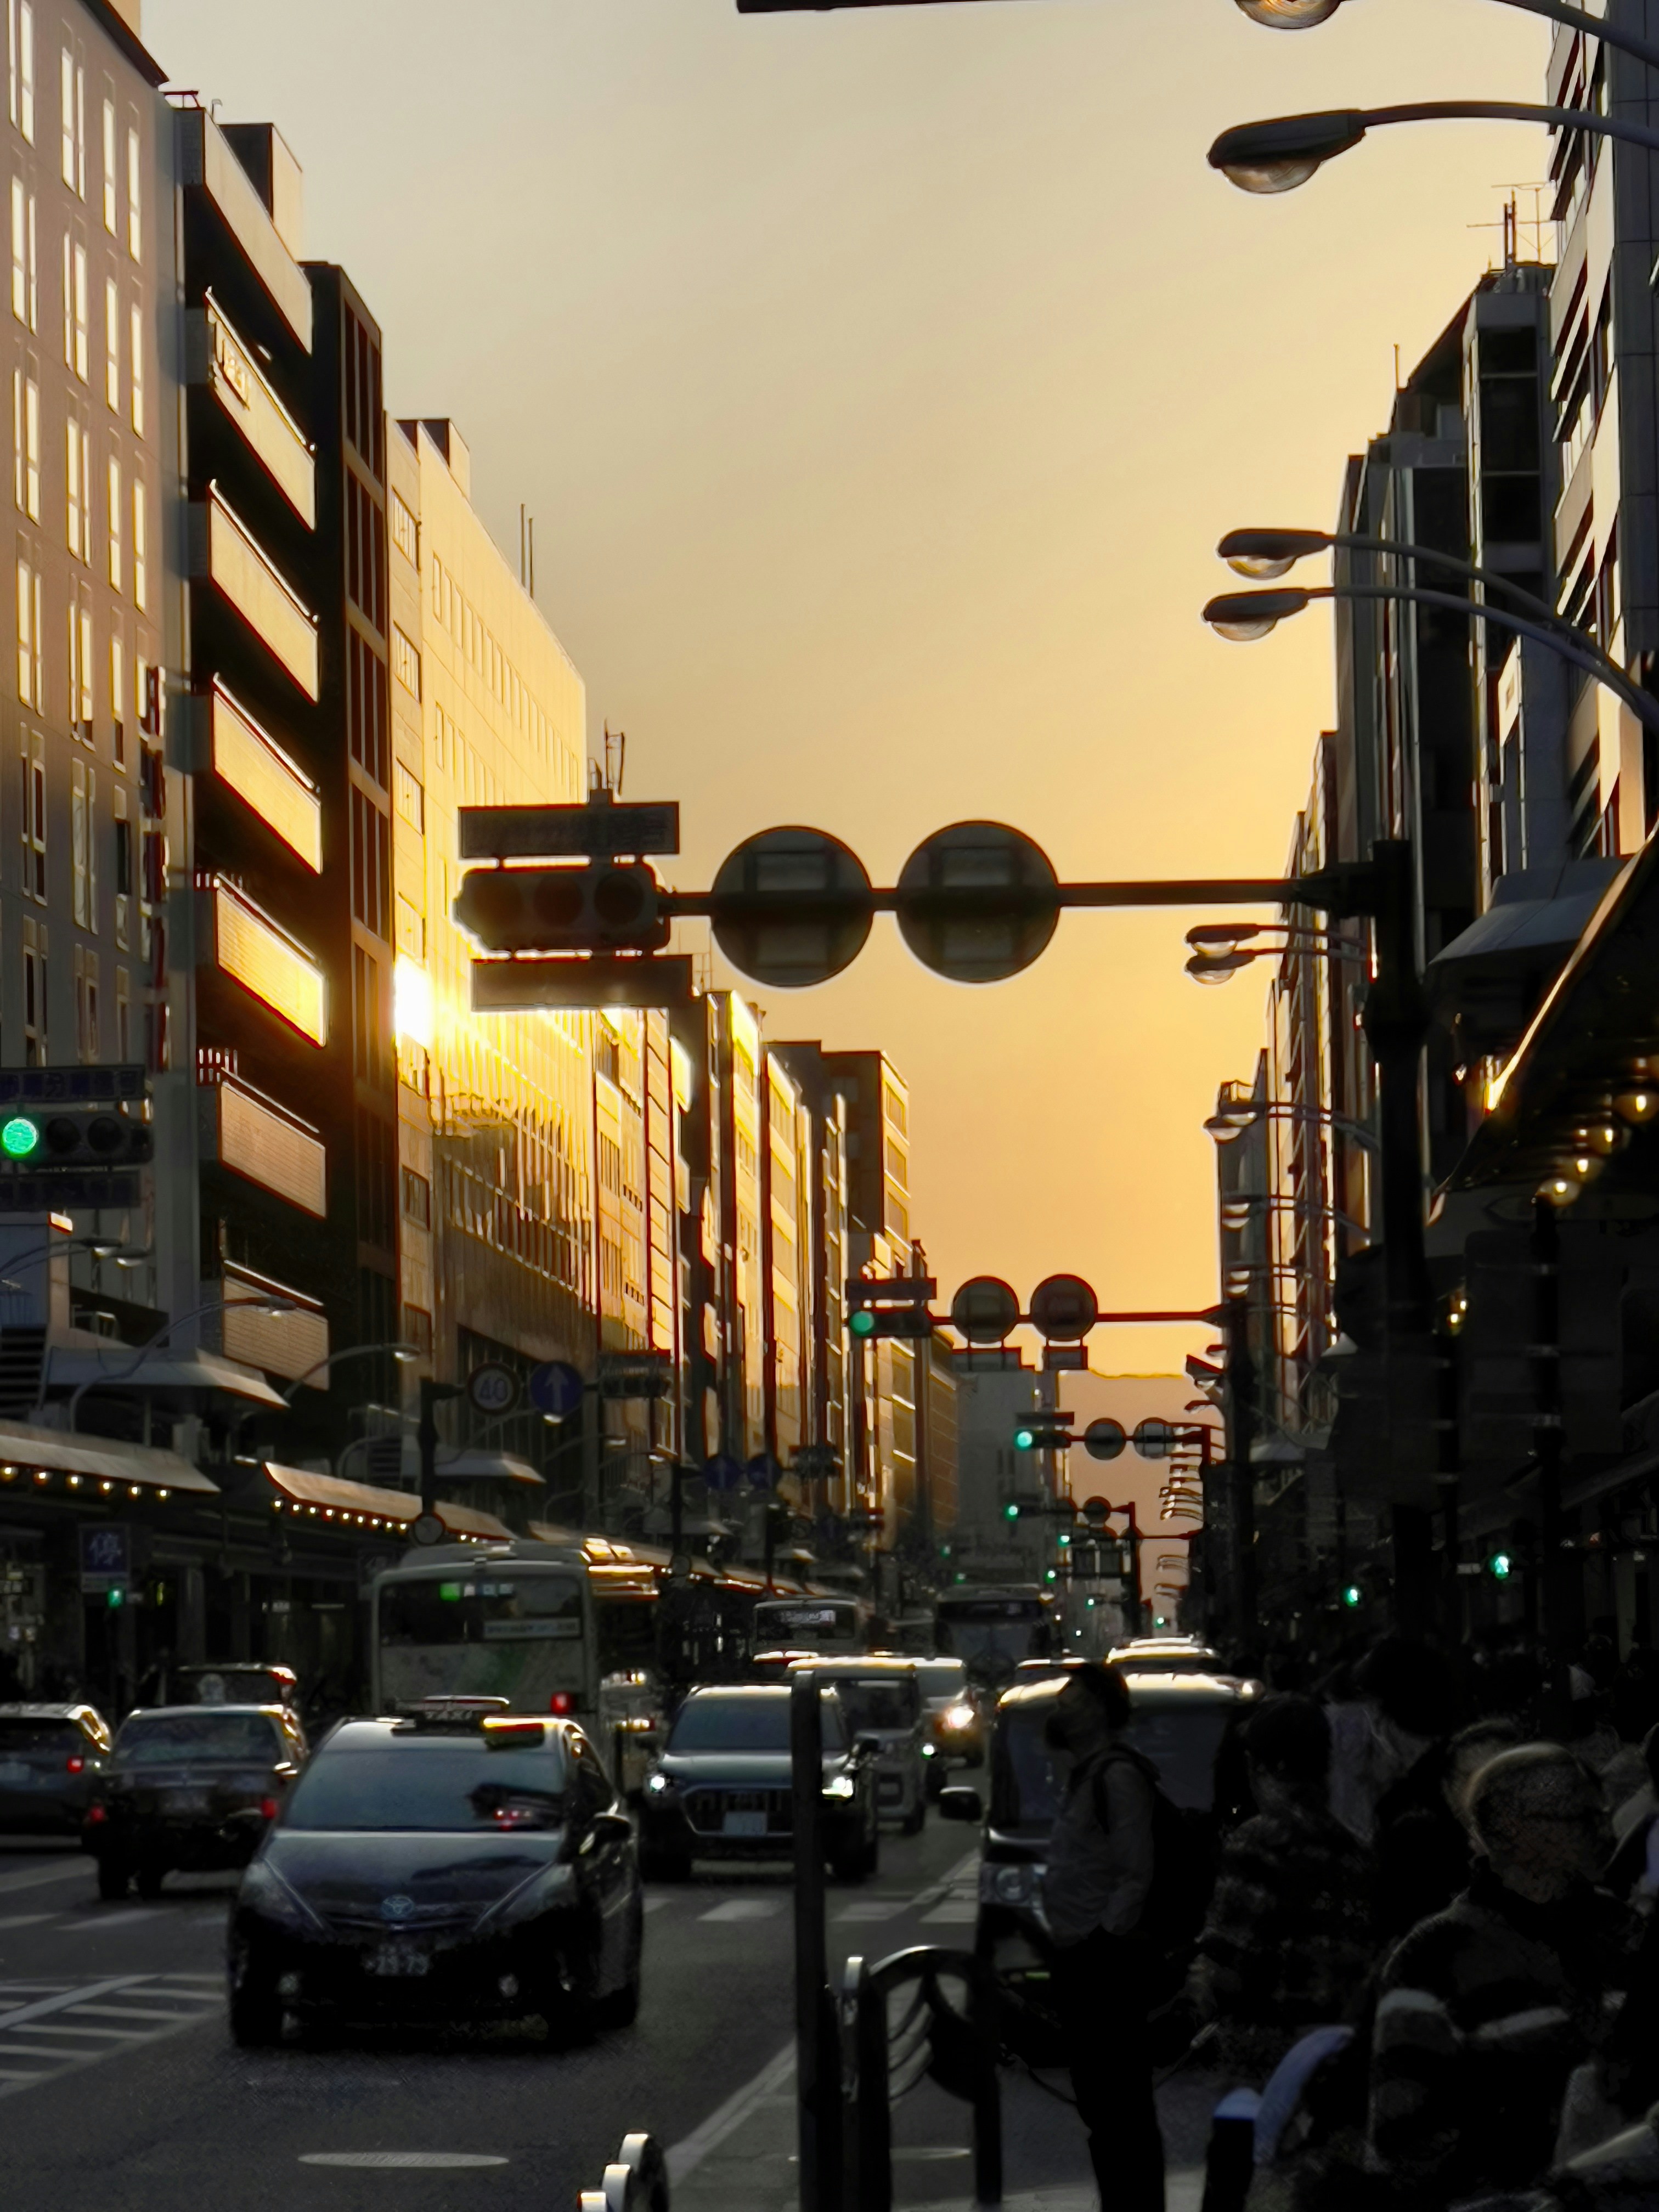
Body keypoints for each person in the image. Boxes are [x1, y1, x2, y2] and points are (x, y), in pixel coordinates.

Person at [1368, 1743, 1640, 2206]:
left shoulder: (1623, 1932)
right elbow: (1407, 2140)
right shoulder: (1434, 1957)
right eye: (1580, 1819)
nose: (1605, 1833)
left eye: (1603, 1815)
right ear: (1515, 1831)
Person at [1184, 1693, 1375, 2081]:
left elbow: (1228, 1959)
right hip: (1337, 2043)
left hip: (1267, 2050)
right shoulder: (1352, 1848)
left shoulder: (1259, 1842)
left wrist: (1198, 1988)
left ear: (1257, 1766)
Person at [1041, 1662, 1165, 2212]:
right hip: (1082, 1955)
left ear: (1097, 1708)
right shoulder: (1085, 1774)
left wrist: (1103, 1940)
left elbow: (1136, 1872)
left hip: (1103, 1963)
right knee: (1100, 2102)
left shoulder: (1117, 1777)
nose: (1060, 1709)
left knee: (1120, 2104)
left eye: (1070, 1699)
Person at [1372, 1715, 1523, 1943]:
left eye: (1499, 1775)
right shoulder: (1419, 1845)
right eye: (1468, 1778)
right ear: (1448, 1789)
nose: (1481, 1790)